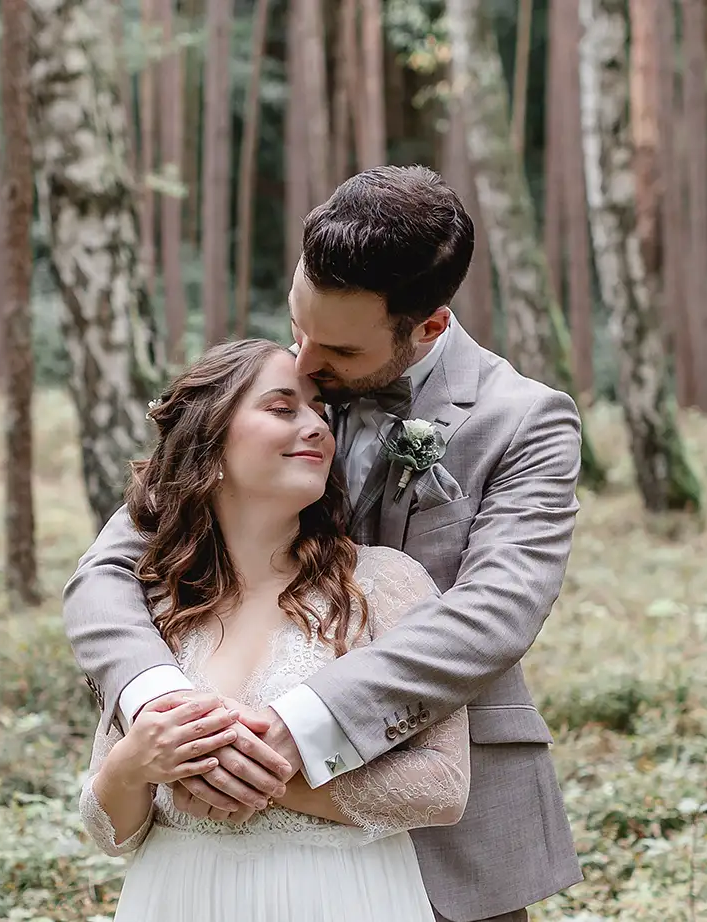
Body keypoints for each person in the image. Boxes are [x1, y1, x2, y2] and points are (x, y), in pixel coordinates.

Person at [67, 164, 583, 922]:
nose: (306, 364)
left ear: (429, 326)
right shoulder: (270, 396)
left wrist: (302, 726)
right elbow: (107, 569)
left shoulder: (525, 422)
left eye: (336, 351)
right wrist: (162, 707)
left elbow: (496, 612)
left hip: (447, 828)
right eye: (297, 324)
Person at [77, 338, 468, 921]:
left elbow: (444, 785)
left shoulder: (385, 583)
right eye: (283, 409)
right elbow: (110, 833)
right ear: (208, 442)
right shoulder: (157, 601)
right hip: (180, 896)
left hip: (342, 897)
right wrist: (134, 762)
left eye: (319, 410)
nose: (315, 425)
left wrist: (254, 778)